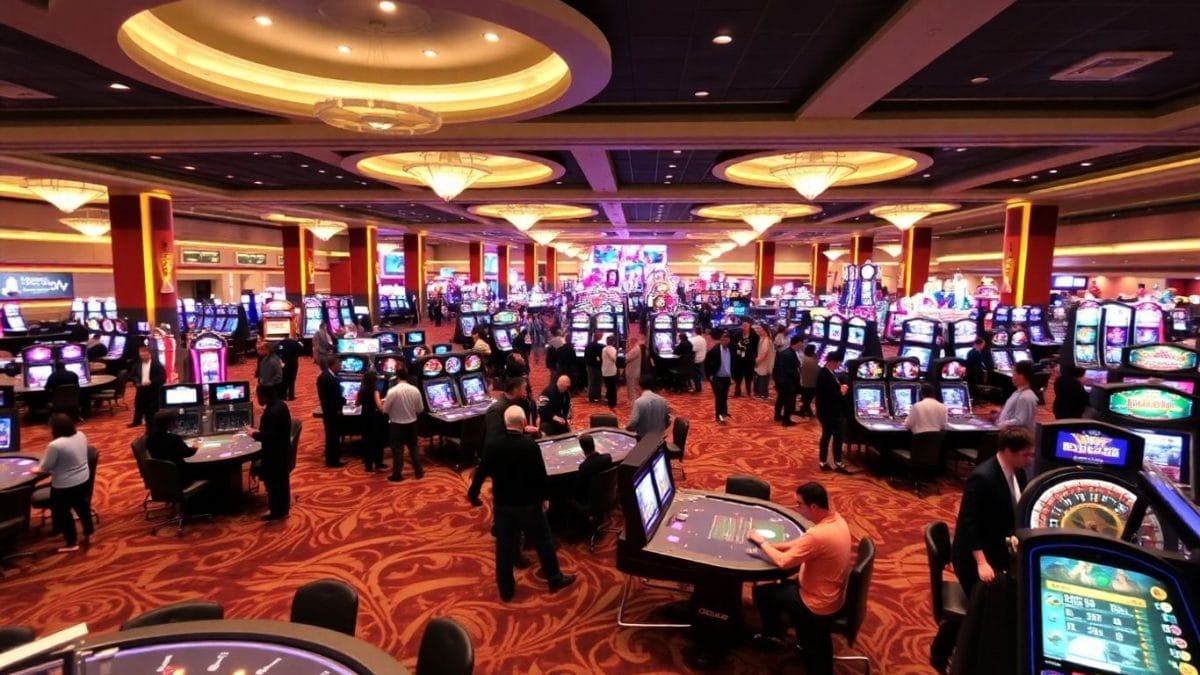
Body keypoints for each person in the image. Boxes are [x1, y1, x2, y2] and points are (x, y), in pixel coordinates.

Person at [467, 406, 577, 602]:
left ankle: (506, 590)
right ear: (524, 423)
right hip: (529, 504)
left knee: (504, 548)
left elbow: (481, 472)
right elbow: (540, 475)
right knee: (544, 542)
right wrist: (545, 497)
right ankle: (554, 579)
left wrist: (473, 494)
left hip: (503, 505)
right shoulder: (529, 446)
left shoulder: (493, 445)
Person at [749, 482, 852, 675]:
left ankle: (774, 635)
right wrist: (774, 545)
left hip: (816, 603)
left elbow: (783, 562)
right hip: (832, 594)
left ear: (813, 506)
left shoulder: (818, 535)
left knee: (762, 591)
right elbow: (800, 544)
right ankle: (780, 630)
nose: (796, 509)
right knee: (776, 586)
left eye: (799, 504)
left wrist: (762, 542)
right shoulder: (836, 520)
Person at [951, 426, 1034, 596]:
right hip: (975, 557)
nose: (1030, 460)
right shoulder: (982, 478)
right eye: (1025, 455)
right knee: (998, 600)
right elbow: (968, 524)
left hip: (999, 547)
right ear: (1009, 451)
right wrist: (981, 562)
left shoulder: (1019, 474)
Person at [36, 413, 94, 553]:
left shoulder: (55, 445)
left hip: (64, 485)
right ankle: (88, 531)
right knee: (82, 506)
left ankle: (71, 542)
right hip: (84, 480)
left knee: (63, 513)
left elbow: (44, 467)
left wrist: (34, 469)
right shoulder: (81, 435)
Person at [251, 384, 292, 521]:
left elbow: (270, 436)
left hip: (274, 454)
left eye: (258, 395)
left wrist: (254, 434)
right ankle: (283, 509)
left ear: (264, 395)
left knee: (273, 483)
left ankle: (276, 512)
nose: (257, 399)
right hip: (283, 451)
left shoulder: (271, 412)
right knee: (282, 482)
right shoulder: (280, 405)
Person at [381, 366, 425, 481]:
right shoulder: (415, 390)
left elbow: (385, 410)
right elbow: (420, 409)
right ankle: (419, 471)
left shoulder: (392, 391)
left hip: (397, 425)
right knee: (414, 448)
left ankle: (397, 475)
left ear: (397, 377)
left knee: (397, 451)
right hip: (412, 424)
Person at [815, 351, 849, 473]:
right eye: (838, 363)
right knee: (833, 436)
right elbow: (830, 395)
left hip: (830, 411)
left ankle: (827, 461)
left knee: (832, 436)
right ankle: (833, 462)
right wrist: (842, 391)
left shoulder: (829, 373)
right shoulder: (824, 375)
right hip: (828, 412)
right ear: (832, 361)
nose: (838, 365)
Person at [146, 409, 196, 480]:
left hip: (162, 475)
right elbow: (188, 453)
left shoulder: (150, 438)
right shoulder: (174, 438)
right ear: (169, 423)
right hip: (180, 475)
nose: (176, 423)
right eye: (174, 421)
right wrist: (196, 446)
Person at [316, 355, 347, 468]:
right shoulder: (328, 378)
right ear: (333, 365)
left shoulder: (326, 376)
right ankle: (333, 461)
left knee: (332, 436)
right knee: (332, 436)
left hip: (329, 410)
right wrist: (345, 401)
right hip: (331, 411)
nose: (341, 366)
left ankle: (333, 458)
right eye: (339, 364)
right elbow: (333, 397)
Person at [485, 377, 538, 442]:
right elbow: (497, 436)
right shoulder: (496, 410)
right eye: (524, 388)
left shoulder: (523, 402)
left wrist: (524, 429)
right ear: (515, 389)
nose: (526, 391)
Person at [997, 360, 1039, 436]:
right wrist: (1000, 414)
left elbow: (1020, 421)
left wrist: (1003, 424)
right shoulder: (1018, 392)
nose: (1012, 376)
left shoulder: (1025, 397)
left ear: (1021, 376)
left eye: (1014, 373)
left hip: (1019, 439)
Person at [356, 370, 387, 473]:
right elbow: (378, 405)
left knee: (367, 441)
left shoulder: (362, 389)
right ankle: (378, 463)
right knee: (377, 441)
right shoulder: (375, 390)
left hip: (364, 416)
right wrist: (384, 407)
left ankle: (368, 465)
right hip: (374, 417)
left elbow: (357, 403)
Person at [129, 344, 165, 428]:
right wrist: (137, 382)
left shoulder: (156, 364)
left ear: (149, 354)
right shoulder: (137, 364)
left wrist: (151, 382)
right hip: (141, 388)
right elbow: (132, 376)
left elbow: (162, 376)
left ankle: (152, 423)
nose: (143, 357)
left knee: (152, 408)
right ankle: (137, 421)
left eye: (145, 355)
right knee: (138, 406)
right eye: (141, 355)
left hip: (153, 389)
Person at [625, 374, 670, 441]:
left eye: (636, 385)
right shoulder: (663, 400)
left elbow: (632, 424)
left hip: (643, 442)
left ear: (639, 387)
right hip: (659, 441)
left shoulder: (639, 402)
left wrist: (625, 430)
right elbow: (667, 422)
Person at [773, 336, 803, 426]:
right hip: (788, 383)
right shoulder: (790, 354)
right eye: (802, 343)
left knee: (781, 400)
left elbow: (777, 368)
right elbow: (791, 371)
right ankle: (786, 421)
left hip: (781, 381)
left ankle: (777, 416)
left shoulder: (786, 352)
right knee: (789, 402)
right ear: (797, 343)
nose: (802, 345)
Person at [704, 330, 733, 423]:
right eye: (723, 339)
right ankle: (719, 416)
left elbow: (735, 363)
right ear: (720, 340)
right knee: (719, 397)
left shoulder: (731, 349)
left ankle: (724, 413)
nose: (725, 341)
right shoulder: (714, 350)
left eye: (726, 339)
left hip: (727, 377)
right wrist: (710, 376)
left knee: (724, 397)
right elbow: (706, 363)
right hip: (717, 377)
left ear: (729, 340)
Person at [275, 332, 304, 401]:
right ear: (290, 336)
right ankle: (291, 396)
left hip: (283, 364)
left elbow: (277, 352)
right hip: (293, 364)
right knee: (292, 380)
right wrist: (298, 341)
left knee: (283, 379)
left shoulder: (280, 343)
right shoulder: (294, 343)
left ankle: (283, 396)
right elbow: (302, 349)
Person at [731, 319, 757, 397]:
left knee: (748, 376)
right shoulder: (737, 334)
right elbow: (733, 345)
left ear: (749, 326)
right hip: (739, 359)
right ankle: (737, 390)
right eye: (743, 325)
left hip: (749, 359)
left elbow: (755, 348)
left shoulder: (754, 335)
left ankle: (748, 391)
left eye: (746, 325)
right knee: (738, 376)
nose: (744, 327)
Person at [753, 324, 775, 400]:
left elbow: (764, 354)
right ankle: (763, 394)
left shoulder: (766, 340)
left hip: (763, 363)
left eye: (760, 329)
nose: (758, 330)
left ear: (764, 330)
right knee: (763, 378)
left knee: (763, 378)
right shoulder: (763, 339)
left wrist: (755, 362)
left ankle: (763, 395)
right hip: (764, 363)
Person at [798, 344, 820, 418]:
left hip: (804, 382)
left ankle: (803, 412)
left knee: (805, 399)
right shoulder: (812, 359)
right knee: (806, 400)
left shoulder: (803, 358)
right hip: (812, 383)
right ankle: (805, 412)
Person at [584, 331, 605, 403]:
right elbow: (601, 357)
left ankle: (590, 397)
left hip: (589, 365)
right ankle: (596, 397)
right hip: (596, 366)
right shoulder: (599, 346)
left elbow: (585, 356)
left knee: (591, 381)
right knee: (597, 382)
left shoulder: (588, 345)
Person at [624, 335, 644, 403]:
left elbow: (626, 359)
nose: (628, 343)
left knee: (632, 388)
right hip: (633, 371)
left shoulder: (635, 349)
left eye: (629, 341)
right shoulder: (635, 348)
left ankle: (634, 403)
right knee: (634, 387)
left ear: (633, 341)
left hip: (633, 371)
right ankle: (633, 401)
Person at [601, 335, 619, 410]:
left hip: (605, 370)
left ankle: (609, 401)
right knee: (612, 388)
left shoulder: (604, 349)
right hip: (611, 371)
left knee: (608, 386)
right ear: (613, 342)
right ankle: (612, 403)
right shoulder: (612, 349)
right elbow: (613, 358)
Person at [689, 326, 707, 393]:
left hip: (695, 359)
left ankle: (696, 387)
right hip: (702, 359)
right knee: (697, 374)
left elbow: (691, 350)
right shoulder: (703, 339)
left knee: (695, 374)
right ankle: (698, 387)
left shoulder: (694, 339)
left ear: (694, 332)